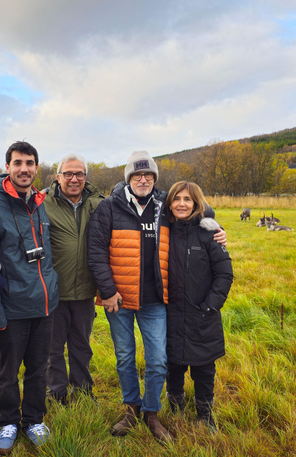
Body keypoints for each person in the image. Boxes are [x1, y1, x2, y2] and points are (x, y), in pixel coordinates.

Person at [87, 150, 227, 443]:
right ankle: (131, 407)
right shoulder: (109, 208)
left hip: (155, 301)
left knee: (158, 359)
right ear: (128, 178)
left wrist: (216, 227)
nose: (143, 179)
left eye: (148, 175)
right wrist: (108, 291)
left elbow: (196, 208)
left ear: (154, 179)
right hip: (119, 300)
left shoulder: (163, 204)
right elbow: (96, 252)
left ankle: (152, 412)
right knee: (125, 357)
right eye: (137, 175)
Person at [0, 141, 59, 454]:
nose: (24, 169)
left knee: (39, 368)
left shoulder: (42, 203)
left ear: (37, 168)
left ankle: (34, 419)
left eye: (29, 163)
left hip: (45, 304)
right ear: (8, 168)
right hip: (12, 307)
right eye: (17, 163)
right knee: (9, 370)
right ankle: (9, 420)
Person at [164, 181, 233, 429]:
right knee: (173, 364)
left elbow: (224, 274)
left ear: (197, 203)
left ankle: (205, 412)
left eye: (188, 199)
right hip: (170, 314)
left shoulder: (210, 232)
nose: (181, 204)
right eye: (177, 199)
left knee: (204, 368)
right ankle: (175, 404)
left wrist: (209, 307)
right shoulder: (164, 231)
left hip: (202, 314)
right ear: (169, 203)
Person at [43, 154, 104, 404]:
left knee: (82, 347)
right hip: (54, 290)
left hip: (86, 290)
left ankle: (82, 392)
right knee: (52, 349)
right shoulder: (42, 202)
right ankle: (56, 393)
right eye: (68, 174)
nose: (74, 179)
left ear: (85, 177)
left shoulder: (99, 203)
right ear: (58, 177)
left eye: (79, 174)